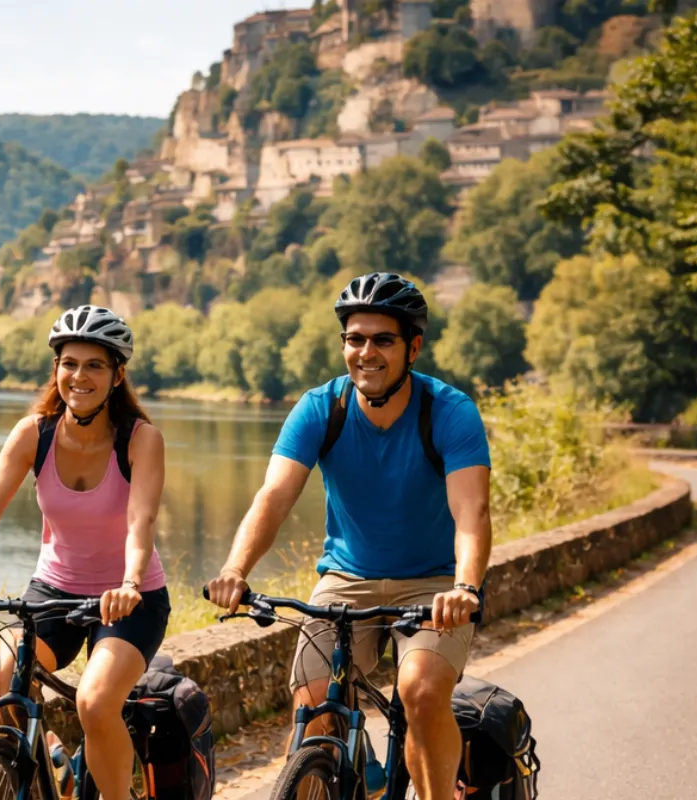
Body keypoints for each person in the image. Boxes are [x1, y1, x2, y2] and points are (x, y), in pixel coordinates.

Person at [206, 273, 492, 800]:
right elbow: (273, 496)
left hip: (433, 587)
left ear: (414, 346)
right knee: (316, 701)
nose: (367, 352)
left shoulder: (449, 412)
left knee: (421, 691)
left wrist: (466, 587)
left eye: (383, 340)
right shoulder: (321, 408)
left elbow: (471, 511)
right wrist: (235, 569)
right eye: (355, 339)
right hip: (346, 579)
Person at [0, 305, 170, 800]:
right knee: (3, 687)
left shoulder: (140, 440)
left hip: (129, 600)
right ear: (56, 369)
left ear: (117, 376)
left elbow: (142, 521)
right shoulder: (34, 434)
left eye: (95, 365)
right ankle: (53, 758)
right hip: (53, 592)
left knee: (94, 704)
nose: (80, 375)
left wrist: (131, 582)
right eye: (70, 363)